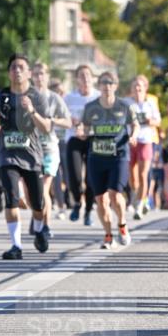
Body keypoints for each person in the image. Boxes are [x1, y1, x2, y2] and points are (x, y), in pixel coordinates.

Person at [0, 53, 52, 260]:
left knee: (38, 204)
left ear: (29, 73)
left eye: (21, 67)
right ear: (9, 72)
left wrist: (32, 111)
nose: (17, 71)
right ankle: (16, 246)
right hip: (7, 156)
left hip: (32, 157)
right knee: (11, 199)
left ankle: (40, 229)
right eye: (13, 67)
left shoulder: (37, 97)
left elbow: (46, 128)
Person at [80, 71, 138, 249]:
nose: (107, 86)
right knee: (101, 200)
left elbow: (134, 124)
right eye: (104, 83)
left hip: (118, 155)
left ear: (116, 85)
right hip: (96, 157)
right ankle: (107, 235)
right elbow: (85, 127)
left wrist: (133, 136)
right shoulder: (90, 107)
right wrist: (81, 132)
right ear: (99, 86)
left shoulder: (124, 106)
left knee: (114, 194)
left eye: (110, 82)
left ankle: (121, 224)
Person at [31, 62, 72, 239]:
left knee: (44, 188)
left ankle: (45, 226)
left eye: (42, 74)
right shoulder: (27, 97)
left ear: (47, 77)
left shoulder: (54, 98)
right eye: (36, 74)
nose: (39, 77)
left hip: (49, 147)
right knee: (33, 191)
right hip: (31, 148)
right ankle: (38, 219)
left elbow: (69, 122)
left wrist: (53, 121)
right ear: (31, 76)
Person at [64, 64, 99, 225]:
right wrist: (72, 122)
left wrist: (88, 125)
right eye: (81, 76)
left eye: (87, 75)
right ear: (77, 79)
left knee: (91, 177)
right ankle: (78, 202)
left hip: (93, 139)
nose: (85, 78)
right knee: (74, 176)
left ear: (93, 79)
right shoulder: (69, 98)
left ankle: (88, 211)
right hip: (74, 139)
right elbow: (61, 117)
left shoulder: (98, 97)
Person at [127, 74, 161, 219]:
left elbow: (157, 121)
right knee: (132, 176)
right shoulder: (126, 102)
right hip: (130, 141)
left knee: (143, 174)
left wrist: (148, 120)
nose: (137, 89)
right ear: (132, 89)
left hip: (145, 140)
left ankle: (140, 205)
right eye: (135, 86)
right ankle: (136, 195)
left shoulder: (150, 103)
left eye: (140, 86)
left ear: (145, 88)